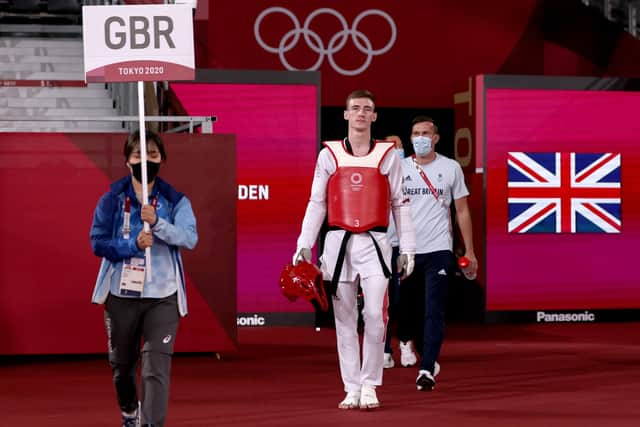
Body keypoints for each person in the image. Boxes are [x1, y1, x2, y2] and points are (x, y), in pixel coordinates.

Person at [293, 90, 416, 410]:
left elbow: (401, 204)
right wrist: (304, 244)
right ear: (346, 115)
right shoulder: (329, 155)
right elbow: (317, 202)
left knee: (375, 314)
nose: (361, 113)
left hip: (376, 243)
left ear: (374, 116)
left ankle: (370, 383)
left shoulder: (388, 154)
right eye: (356, 108)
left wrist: (409, 249)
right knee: (344, 319)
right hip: (337, 244)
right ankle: (351, 387)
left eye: (367, 109)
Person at [90, 130, 198, 426]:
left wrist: (158, 223)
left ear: (162, 158)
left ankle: (152, 423)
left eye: (152, 154)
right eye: (138, 155)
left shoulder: (175, 201)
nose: (145, 160)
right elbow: (97, 243)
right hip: (121, 296)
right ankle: (129, 412)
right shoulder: (112, 199)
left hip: (162, 297)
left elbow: (189, 238)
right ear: (127, 161)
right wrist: (132, 245)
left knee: (155, 368)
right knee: (121, 367)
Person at [398, 116, 477, 391]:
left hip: (439, 249)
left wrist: (470, 251)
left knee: (434, 310)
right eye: (415, 133)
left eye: (425, 133)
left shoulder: (451, 167)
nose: (420, 137)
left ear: (435, 138)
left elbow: (462, 211)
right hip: (405, 251)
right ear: (410, 138)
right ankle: (418, 347)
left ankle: (427, 368)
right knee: (408, 310)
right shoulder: (398, 167)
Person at [382, 135, 406, 369]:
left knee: (404, 300)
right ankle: (385, 348)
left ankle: (406, 341)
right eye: (389, 145)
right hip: (382, 247)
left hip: (405, 247)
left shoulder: (411, 171)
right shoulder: (376, 172)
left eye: (397, 145)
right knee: (384, 301)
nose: (394, 148)